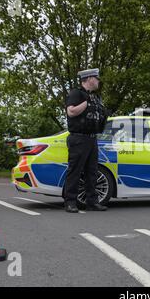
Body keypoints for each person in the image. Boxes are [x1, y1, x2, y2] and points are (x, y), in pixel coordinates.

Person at [64, 68, 108, 213]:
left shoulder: (95, 97)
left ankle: (92, 202)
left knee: (92, 172)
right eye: (96, 78)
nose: (98, 81)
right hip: (78, 138)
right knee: (75, 171)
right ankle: (70, 202)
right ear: (89, 79)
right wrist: (86, 102)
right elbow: (71, 111)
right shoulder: (76, 93)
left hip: (91, 139)